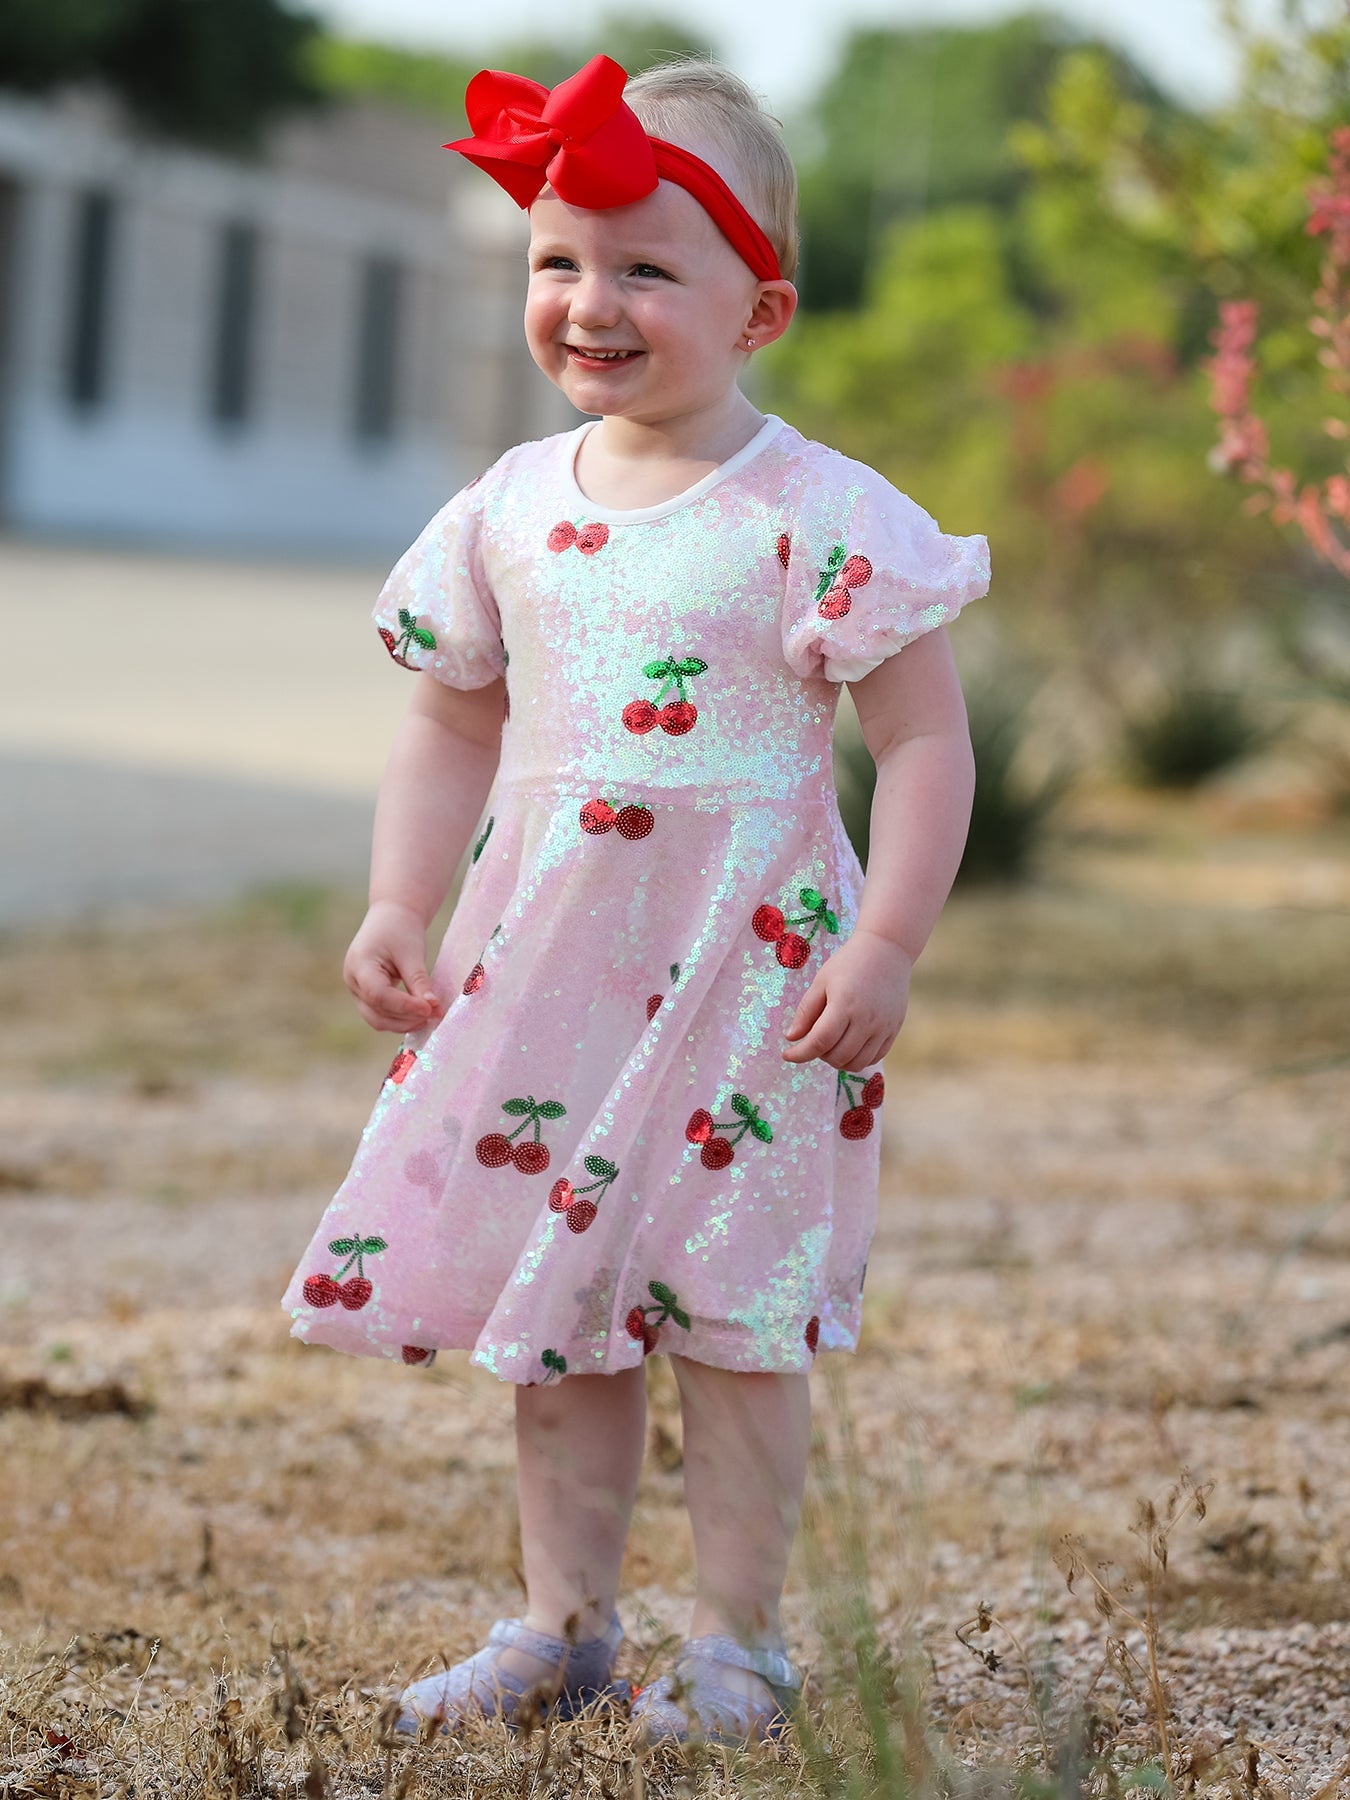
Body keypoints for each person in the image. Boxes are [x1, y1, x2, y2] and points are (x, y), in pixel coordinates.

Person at [279, 51, 990, 1746]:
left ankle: (738, 1647)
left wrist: (886, 939)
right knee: (560, 1308)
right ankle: (563, 1625)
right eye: (558, 261)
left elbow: (923, 741)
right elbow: (450, 721)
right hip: (545, 971)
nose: (591, 303)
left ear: (761, 311)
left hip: (751, 975)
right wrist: (398, 900)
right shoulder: (507, 508)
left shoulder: (818, 512)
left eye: (646, 268)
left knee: (731, 1314)